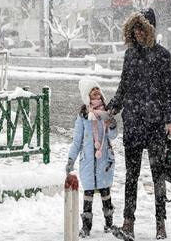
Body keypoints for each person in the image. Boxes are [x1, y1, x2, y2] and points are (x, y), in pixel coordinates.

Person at [106, 8, 171, 240]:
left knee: (158, 175)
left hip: (155, 124)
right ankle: (128, 222)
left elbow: (170, 91)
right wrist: (112, 108)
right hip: (134, 124)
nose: (137, 33)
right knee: (131, 175)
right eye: (134, 28)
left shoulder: (163, 55)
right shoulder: (130, 56)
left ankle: (160, 223)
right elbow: (123, 86)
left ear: (150, 30)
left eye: (141, 28)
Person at [66, 78, 117, 238]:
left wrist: (112, 123)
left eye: (97, 89)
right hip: (88, 161)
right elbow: (77, 141)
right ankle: (86, 226)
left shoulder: (106, 112)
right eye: (92, 90)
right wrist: (71, 159)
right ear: (86, 95)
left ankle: (109, 224)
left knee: (105, 191)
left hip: (104, 160)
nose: (96, 92)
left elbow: (113, 136)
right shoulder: (82, 116)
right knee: (88, 194)